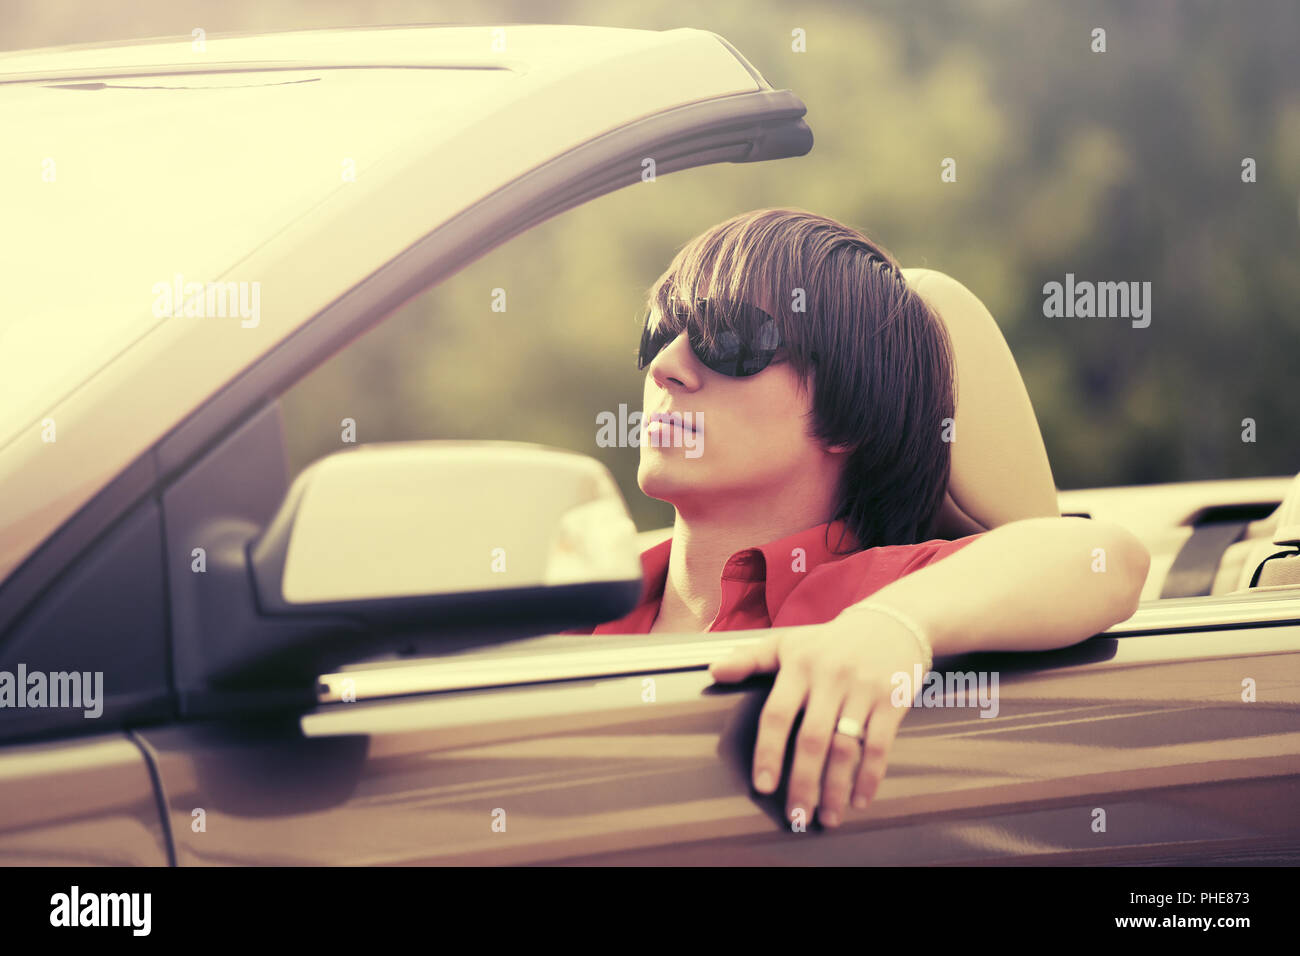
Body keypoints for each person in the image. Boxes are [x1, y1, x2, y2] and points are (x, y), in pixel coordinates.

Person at [570, 207, 1150, 829]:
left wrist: (894, 629)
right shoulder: (571, 592)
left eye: (729, 340)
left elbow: (1107, 559)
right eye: (660, 332)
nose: (666, 367)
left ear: (849, 412)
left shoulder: (877, 590)